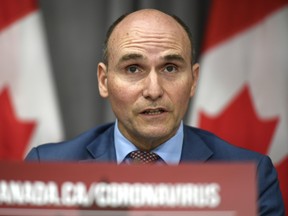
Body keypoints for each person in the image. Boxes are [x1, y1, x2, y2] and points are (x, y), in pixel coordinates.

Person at [25, 9, 285, 215]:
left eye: (170, 68)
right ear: (104, 81)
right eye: (133, 69)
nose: (153, 90)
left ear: (194, 80)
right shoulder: (47, 168)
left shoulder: (251, 175)